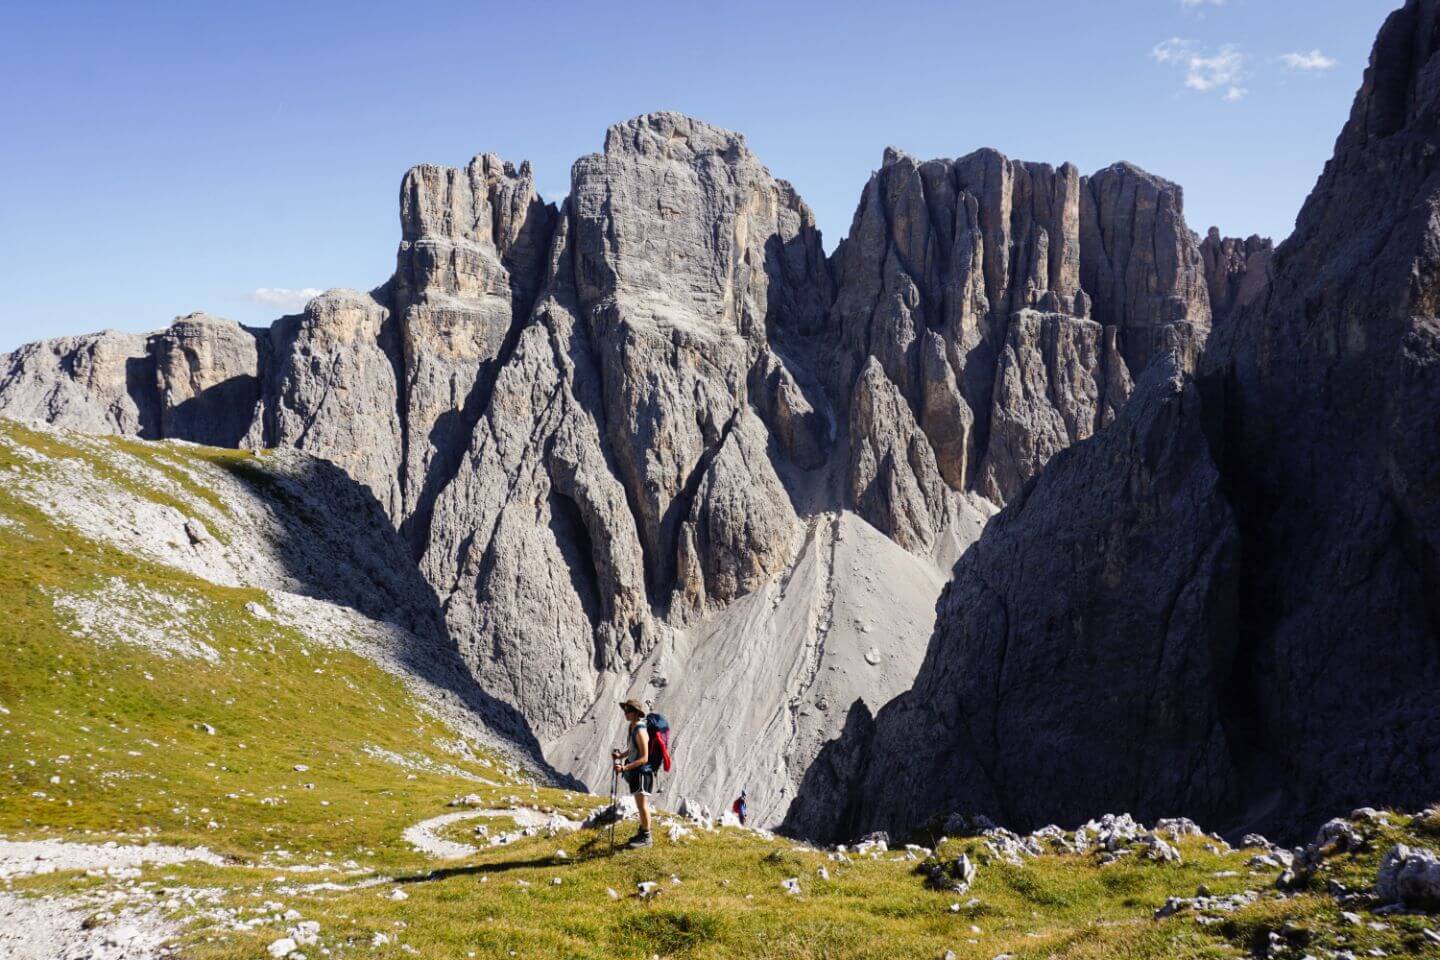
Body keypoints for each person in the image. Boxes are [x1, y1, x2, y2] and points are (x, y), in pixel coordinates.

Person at [612, 698, 654, 848]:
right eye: (625, 710)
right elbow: (632, 749)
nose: (626, 713)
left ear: (636, 713)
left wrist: (624, 768)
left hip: (642, 772)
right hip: (636, 772)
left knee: (642, 805)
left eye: (628, 710)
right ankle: (643, 832)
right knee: (639, 803)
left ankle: (647, 838)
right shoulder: (632, 727)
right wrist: (621, 756)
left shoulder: (641, 730)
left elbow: (644, 757)